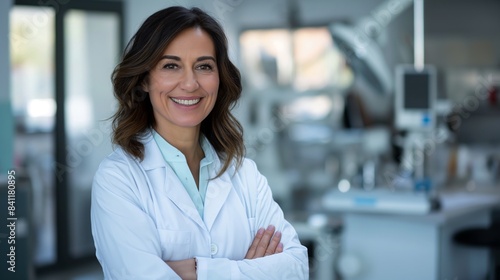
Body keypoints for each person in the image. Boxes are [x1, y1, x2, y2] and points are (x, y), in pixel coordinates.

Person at [90, 6, 309, 280]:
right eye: (171, 66)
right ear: (145, 79)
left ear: (220, 77)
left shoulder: (245, 175)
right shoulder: (119, 179)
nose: (190, 84)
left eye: (204, 66)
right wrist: (251, 270)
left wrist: (197, 270)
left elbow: (296, 267)